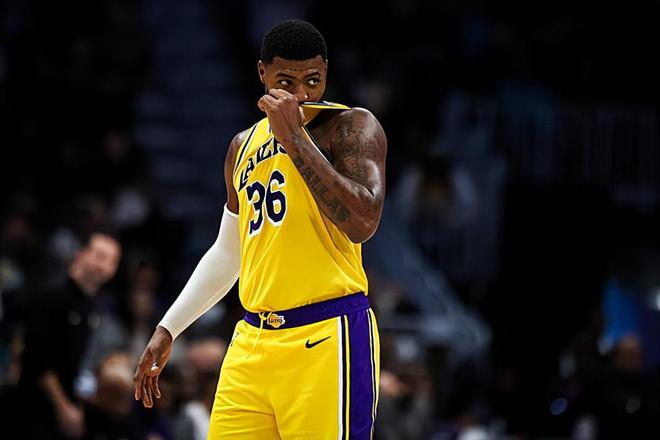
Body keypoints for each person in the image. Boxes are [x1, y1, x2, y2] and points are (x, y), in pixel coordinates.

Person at [134, 19, 387, 439]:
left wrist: (294, 139)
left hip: (327, 335)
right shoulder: (241, 147)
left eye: (313, 80)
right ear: (262, 74)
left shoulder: (350, 126)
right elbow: (228, 252)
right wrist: (169, 327)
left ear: (326, 72)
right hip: (252, 343)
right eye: (286, 81)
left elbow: (363, 222)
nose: (301, 94)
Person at [16, 232, 122, 439]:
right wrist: (63, 407)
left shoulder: (92, 305)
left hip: (67, 401)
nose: (103, 266)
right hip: (35, 408)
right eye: (99, 256)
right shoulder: (53, 295)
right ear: (81, 254)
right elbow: (38, 360)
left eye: (110, 261)